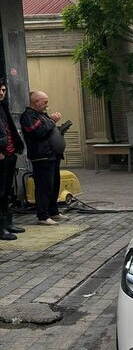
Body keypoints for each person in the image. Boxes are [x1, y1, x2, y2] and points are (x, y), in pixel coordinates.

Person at [20, 91, 67, 226]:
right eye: (45, 102)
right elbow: (38, 132)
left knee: (54, 185)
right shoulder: (28, 116)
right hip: (42, 157)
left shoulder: (41, 115)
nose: (47, 104)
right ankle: (43, 215)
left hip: (52, 155)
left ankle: (53, 211)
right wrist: (52, 121)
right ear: (37, 102)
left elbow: (48, 130)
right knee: (43, 186)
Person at [0, 79, 25, 240]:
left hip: (9, 154)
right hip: (2, 155)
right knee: (0, 191)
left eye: (3, 90)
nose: (1, 93)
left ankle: (7, 223)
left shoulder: (3, 107)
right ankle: (1, 227)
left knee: (7, 191)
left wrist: (15, 149)